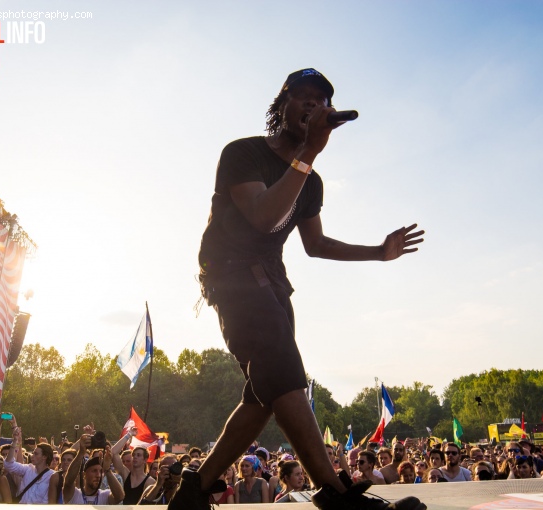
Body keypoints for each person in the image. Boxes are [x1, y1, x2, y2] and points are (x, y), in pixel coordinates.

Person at [170, 67, 425, 510]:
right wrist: (307, 153)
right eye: (301, 96)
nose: (311, 103)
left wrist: (378, 252)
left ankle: (196, 489)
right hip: (229, 274)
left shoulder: (312, 182)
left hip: (272, 282)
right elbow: (262, 217)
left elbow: (315, 244)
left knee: (264, 394)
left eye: (320, 99)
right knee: (285, 376)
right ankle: (337, 494)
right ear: (282, 104)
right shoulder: (243, 153)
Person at [62, 435, 123, 505]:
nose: (98, 475)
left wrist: (107, 470)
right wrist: (81, 452)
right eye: (94, 471)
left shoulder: (105, 495)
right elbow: (68, 482)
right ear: (84, 474)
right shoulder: (74, 495)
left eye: (100, 471)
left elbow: (120, 497)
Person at [4, 426, 54, 504]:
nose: (32, 456)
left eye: (36, 454)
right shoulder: (27, 469)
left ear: (44, 457)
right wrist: (15, 441)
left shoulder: (52, 476)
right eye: (33, 453)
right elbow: (8, 465)